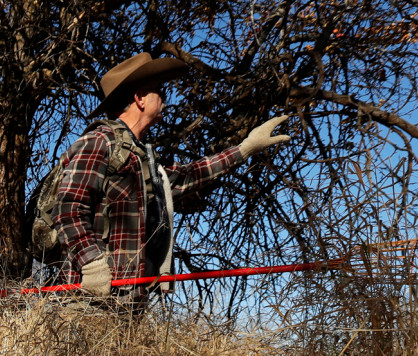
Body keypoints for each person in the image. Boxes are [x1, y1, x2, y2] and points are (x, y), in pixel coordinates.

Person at [52, 52, 290, 311]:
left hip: (129, 304)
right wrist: (92, 263)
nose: (166, 99)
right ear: (140, 98)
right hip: (89, 302)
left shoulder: (141, 158)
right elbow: (68, 208)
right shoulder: (98, 142)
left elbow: (188, 176)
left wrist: (245, 149)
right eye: (159, 91)